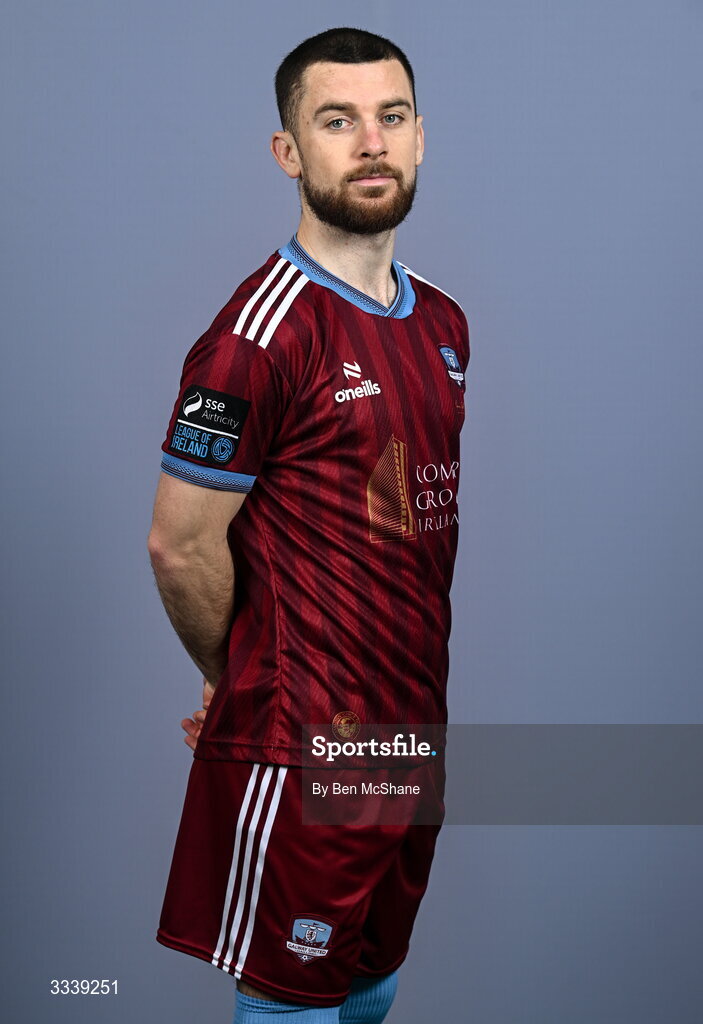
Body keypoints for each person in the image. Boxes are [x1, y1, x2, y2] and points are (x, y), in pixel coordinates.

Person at [148, 26, 470, 1024]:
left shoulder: (443, 324)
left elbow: (382, 511)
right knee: (292, 1000)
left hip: (406, 734)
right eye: (337, 121)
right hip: (306, 750)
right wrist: (237, 676)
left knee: (369, 988)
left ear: (422, 138)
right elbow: (181, 543)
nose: (370, 142)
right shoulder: (257, 338)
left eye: (391, 117)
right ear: (290, 153)